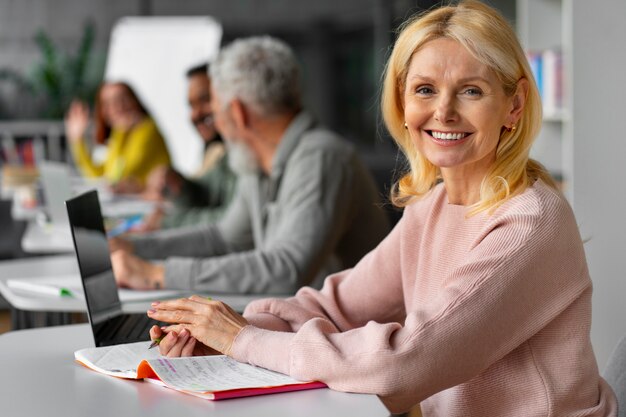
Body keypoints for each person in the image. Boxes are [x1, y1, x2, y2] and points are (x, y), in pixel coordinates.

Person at [145, 2, 618, 415]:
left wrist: (244, 341)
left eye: (471, 90)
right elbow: (337, 306)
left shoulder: (528, 223)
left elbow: (403, 362)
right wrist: (232, 328)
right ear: (402, 101)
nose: (444, 111)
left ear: (513, 106)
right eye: (425, 89)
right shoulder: (432, 206)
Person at [109, 36, 390, 294]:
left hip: (346, 336)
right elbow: (224, 238)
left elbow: (286, 270)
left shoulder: (323, 158)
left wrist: (158, 274)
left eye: (216, 110)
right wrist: (133, 248)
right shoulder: (256, 162)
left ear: (238, 113)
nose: (216, 122)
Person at [140, 64, 237, 231]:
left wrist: (168, 223)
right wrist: (178, 183)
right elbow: (205, 195)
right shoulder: (220, 150)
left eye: (206, 100)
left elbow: (234, 222)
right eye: (191, 106)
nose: (195, 114)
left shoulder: (246, 152)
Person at [65, 81, 171, 193]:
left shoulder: (148, 129)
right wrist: (77, 141)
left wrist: (122, 132)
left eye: (122, 99)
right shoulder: (120, 133)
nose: (117, 106)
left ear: (134, 100)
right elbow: (101, 176)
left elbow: (122, 176)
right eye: (108, 103)